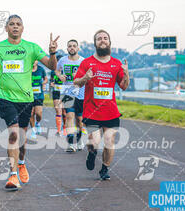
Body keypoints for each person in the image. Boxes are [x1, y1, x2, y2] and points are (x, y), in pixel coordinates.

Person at [0, 14, 58, 190]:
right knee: (13, 134)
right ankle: (13, 175)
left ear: (23, 29)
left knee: (21, 138)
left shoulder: (31, 48)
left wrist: (52, 52)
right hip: (6, 98)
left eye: (18, 24)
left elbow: (52, 66)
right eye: (12, 24)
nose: (15, 27)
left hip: (26, 99)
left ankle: (21, 162)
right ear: (6, 28)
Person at [74, 29, 129, 180]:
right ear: (95, 43)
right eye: (99, 39)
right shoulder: (87, 63)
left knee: (110, 141)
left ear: (109, 42)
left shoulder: (116, 64)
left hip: (111, 111)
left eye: (105, 38)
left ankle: (105, 169)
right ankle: (91, 154)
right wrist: (85, 77)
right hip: (92, 111)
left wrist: (126, 73)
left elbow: (124, 86)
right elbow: (76, 83)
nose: (102, 40)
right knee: (95, 142)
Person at [56, 39, 85, 152]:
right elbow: (57, 70)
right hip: (68, 92)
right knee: (69, 116)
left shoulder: (83, 61)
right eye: (69, 46)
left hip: (81, 93)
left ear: (78, 48)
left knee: (79, 120)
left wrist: (79, 76)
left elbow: (88, 75)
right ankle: (70, 143)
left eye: (74, 46)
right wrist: (60, 76)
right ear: (67, 48)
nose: (72, 48)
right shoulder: (62, 60)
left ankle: (79, 140)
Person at [29, 60, 48, 139]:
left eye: (35, 59)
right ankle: (33, 131)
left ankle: (38, 123)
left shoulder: (41, 69)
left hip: (39, 95)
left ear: (37, 61)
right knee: (30, 114)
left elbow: (46, 79)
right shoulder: (27, 69)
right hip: (29, 95)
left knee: (38, 113)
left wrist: (44, 83)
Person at [49, 69, 65, 134]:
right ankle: (58, 130)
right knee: (58, 110)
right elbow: (51, 80)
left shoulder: (66, 71)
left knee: (64, 113)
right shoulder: (53, 72)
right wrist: (51, 84)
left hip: (64, 93)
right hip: (56, 92)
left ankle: (65, 127)